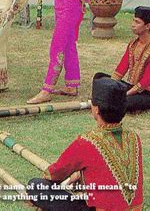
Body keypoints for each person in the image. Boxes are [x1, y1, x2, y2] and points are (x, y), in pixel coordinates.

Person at [26, 77, 143, 210]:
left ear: (96, 109)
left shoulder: (87, 142)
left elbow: (55, 174)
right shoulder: (134, 137)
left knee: (35, 186)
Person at [94, 6, 150, 113]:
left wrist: (123, 94)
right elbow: (121, 68)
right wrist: (109, 85)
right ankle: (108, 99)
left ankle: (106, 100)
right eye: (133, 20)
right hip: (132, 86)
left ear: (148, 26)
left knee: (125, 101)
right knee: (99, 77)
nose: (133, 24)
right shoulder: (132, 44)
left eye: (137, 22)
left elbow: (145, 81)